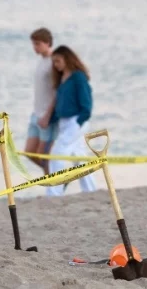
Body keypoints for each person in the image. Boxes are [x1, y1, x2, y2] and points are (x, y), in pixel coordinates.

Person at [46, 45, 97, 197]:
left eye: (58, 61)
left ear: (67, 59)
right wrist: (51, 119)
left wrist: (80, 120)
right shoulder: (63, 79)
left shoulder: (78, 77)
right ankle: (91, 190)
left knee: (57, 154)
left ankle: (54, 192)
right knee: (79, 157)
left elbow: (86, 102)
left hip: (76, 121)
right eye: (54, 62)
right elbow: (62, 103)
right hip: (64, 122)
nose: (56, 65)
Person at [26, 28, 56, 173]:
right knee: (29, 152)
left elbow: (57, 92)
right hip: (36, 114)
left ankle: (53, 187)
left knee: (44, 155)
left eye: (37, 44)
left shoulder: (53, 62)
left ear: (47, 43)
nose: (35, 47)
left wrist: (48, 116)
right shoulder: (41, 61)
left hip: (46, 116)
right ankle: (56, 178)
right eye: (33, 44)